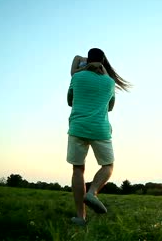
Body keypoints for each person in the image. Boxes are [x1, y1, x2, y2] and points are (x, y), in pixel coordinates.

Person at [66, 48, 131, 226]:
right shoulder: (109, 82)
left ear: (88, 60)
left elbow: (70, 101)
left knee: (78, 170)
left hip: (77, 127)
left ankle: (80, 217)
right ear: (103, 61)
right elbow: (110, 107)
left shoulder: (76, 77)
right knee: (108, 166)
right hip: (100, 129)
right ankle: (92, 192)